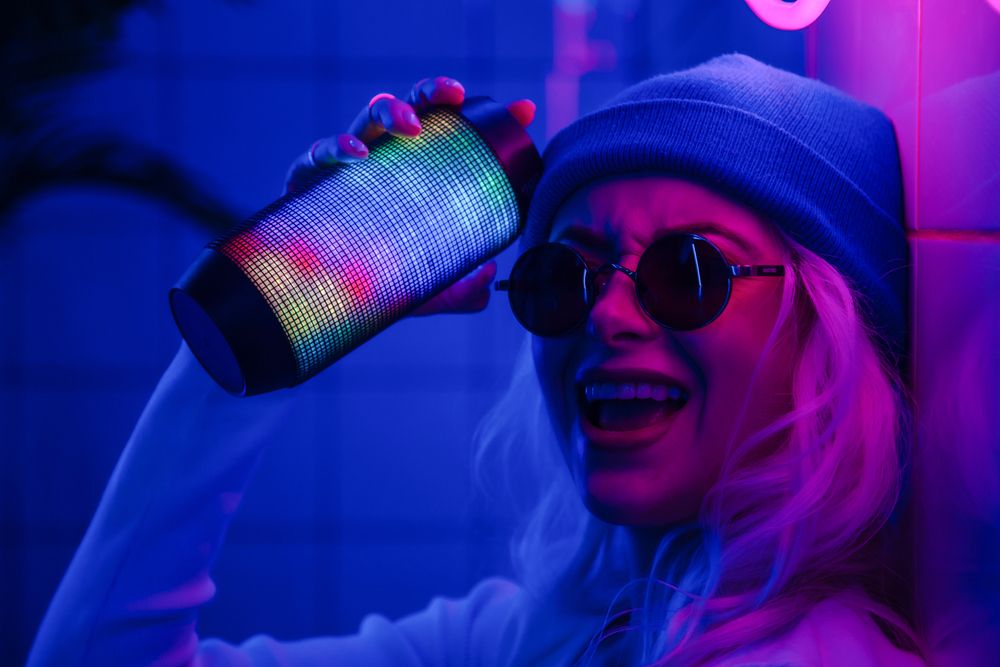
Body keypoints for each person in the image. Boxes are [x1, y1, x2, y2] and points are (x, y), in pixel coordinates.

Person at [28, 55, 927, 666]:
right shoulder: (533, 635)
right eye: (562, 276)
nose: (606, 312)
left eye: (686, 272)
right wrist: (283, 290)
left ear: (830, 331)